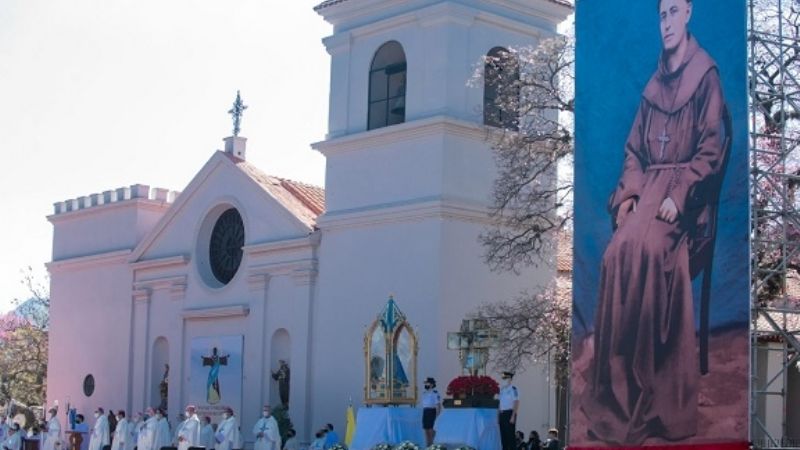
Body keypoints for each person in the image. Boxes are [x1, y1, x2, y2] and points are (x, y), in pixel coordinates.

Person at [584, 0, 729, 445]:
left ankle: (652, 392)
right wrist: (628, 196)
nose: (666, 23)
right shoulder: (652, 86)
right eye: (660, 15)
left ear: (689, 13)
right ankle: (618, 387)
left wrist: (680, 193)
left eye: (673, 12)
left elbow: (712, 148)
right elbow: (633, 152)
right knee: (614, 255)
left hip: (682, 200)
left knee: (648, 251)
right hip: (646, 192)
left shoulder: (705, 75)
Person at [498, 372, 519, 450]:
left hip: (509, 414)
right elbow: (499, 404)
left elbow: (516, 402)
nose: (504, 380)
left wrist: (513, 416)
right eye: (503, 378)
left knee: (510, 437)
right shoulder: (502, 390)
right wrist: (498, 417)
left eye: (505, 378)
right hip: (502, 414)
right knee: (503, 437)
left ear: (510, 379)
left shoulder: (513, 389)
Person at [420, 377, 441, 447]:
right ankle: (427, 446)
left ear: (431, 384)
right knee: (426, 430)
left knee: (431, 431)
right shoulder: (424, 393)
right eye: (425, 383)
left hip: (431, 412)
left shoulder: (435, 393)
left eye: (427, 383)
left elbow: (438, 405)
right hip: (425, 412)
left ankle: (432, 446)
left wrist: (437, 417)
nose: (426, 384)